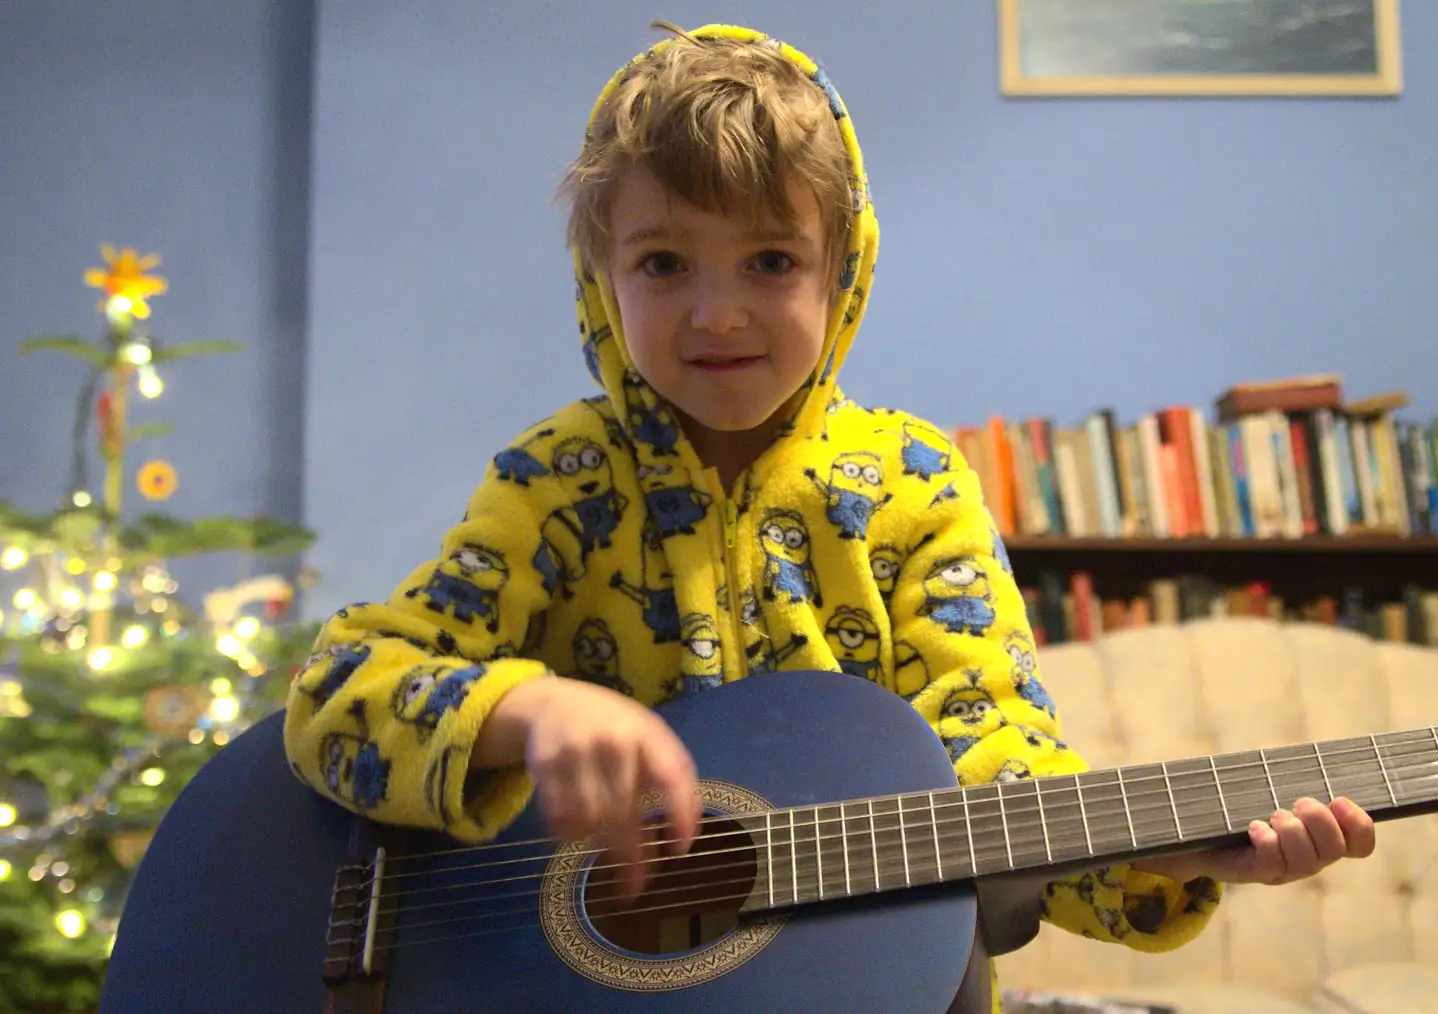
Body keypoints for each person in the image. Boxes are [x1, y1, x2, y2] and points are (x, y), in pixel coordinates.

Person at [283, 20, 1374, 1006]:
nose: (718, 312)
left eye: (770, 260)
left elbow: (993, 756)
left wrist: (1161, 855)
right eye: (664, 262)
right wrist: (531, 715)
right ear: (599, 279)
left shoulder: (912, 481)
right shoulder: (553, 479)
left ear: (842, 272)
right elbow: (339, 691)